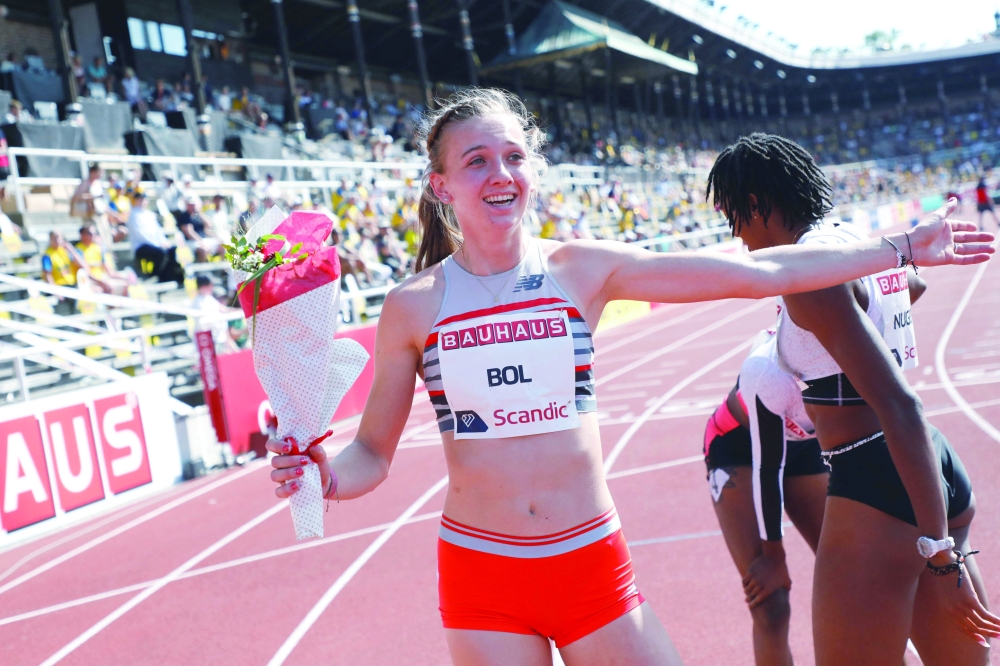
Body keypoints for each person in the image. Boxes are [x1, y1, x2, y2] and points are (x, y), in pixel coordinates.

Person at [266, 90, 993, 666]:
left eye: (514, 156)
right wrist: (323, 473)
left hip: (590, 564)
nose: (500, 174)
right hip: (481, 571)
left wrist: (898, 247)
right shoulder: (411, 306)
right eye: (477, 161)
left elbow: (759, 270)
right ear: (441, 185)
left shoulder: (583, 268)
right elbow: (373, 456)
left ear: (533, 170)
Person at [706, 132, 999, 665]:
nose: (741, 239)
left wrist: (939, 553)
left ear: (756, 204)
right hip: (932, 467)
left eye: (735, 219)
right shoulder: (853, 239)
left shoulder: (809, 272)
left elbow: (899, 404)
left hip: (876, 478)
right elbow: (910, 288)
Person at [706, 266, 926, 666]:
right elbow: (766, 469)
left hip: (806, 448)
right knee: (771, 604)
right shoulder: (769, 371)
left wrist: (890, 263)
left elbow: (915, 285)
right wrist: (774, 557)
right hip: (741, 451)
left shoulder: (854, 341)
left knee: (861, 577)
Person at [126, 191, 185, 283]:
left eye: (143, 199)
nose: (142, 201)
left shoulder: (149, 214)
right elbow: (140, 235)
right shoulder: (133, 215)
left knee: (172, 249)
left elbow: (158, 231)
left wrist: (164, 242)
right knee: (160, 253)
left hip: (154, 244)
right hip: (141, 246)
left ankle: (168, 276)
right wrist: (158, 244)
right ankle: (153, 276)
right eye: (139, 199)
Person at [41, 231, 85, 314]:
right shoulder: (47, 255)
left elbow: (81, 265)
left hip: (74, 286)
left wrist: (71, 249)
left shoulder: (67, 251)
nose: (58, 240)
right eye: (55, 238)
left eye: (59, 237)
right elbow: (47, 275)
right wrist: (55, 292)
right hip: (60, 288)